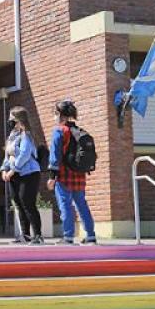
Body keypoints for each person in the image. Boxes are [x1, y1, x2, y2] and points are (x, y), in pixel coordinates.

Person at [47, 100, 97, 245]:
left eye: (55, 114)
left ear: (59, 114)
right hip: (79, 175)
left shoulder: (59, 131)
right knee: (82, 204)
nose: (54, 118)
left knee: (65, 205)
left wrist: (52, 177)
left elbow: (55, 156)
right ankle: (91, 236)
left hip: (63, 176)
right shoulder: (78, 131)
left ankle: (68, 237)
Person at [1, 106, 44, 245]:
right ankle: (25, 235)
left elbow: (25, 154)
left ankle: (38, 235)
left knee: (28, 203)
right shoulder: (12, 136)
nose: (9, 121)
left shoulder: (27, 135)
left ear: (19, 120)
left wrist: (13, 170)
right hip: (15, 174)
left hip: (29, 173)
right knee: (19, 204)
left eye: (12, 118)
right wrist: (4, 170)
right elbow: (7, 156)